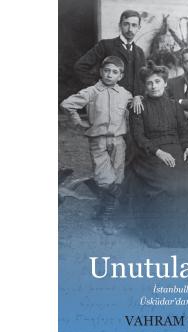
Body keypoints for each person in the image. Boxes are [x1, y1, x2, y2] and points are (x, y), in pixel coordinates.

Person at [129, 61, 188, 248]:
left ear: (165, 83)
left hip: (176, 149)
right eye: (149, 83)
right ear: (145, 86)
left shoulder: (174, 106)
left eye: (157, 82)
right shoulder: (139, 107)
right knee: (167, 183)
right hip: (149, 153)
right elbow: (139, 137)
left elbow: (183, 131)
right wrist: (158, 152)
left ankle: (182, 234)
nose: (154, 86)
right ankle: (152, 233)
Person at [60, 56, 133, 235]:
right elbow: (67, 104)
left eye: (114, 72)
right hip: (98, 142)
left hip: (118, 143)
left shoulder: (125, 94)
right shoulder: (91, 92)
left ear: (120, 76)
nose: (109, 75)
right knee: (106, 181)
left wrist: (137, 99)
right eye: (106, 71)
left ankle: (103, 212)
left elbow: (133, 110)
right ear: (101, 72)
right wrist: (78, 122)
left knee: (117, 180)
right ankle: (114, 212)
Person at [74, 9, 145, 114]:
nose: (130, 29)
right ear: (120, 25)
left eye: (134, 25)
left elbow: (142, 78)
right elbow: (80, 66)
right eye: (126, 24)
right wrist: (98, 88)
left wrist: (138, 95)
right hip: (107, 105)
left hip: (131, 107)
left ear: (139, 28)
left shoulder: (139, 52)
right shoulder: (105, 45)